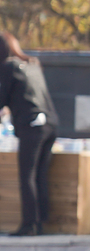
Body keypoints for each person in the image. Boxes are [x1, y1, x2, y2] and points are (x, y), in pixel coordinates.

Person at [0, 32, 58, 237]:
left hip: (32, 125)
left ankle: (28, 225)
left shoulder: (8, 67)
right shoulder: (32, 64)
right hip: (50, 123)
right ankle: (40, 223)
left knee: (27, 175)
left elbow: (2, 98)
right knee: (39, 174)